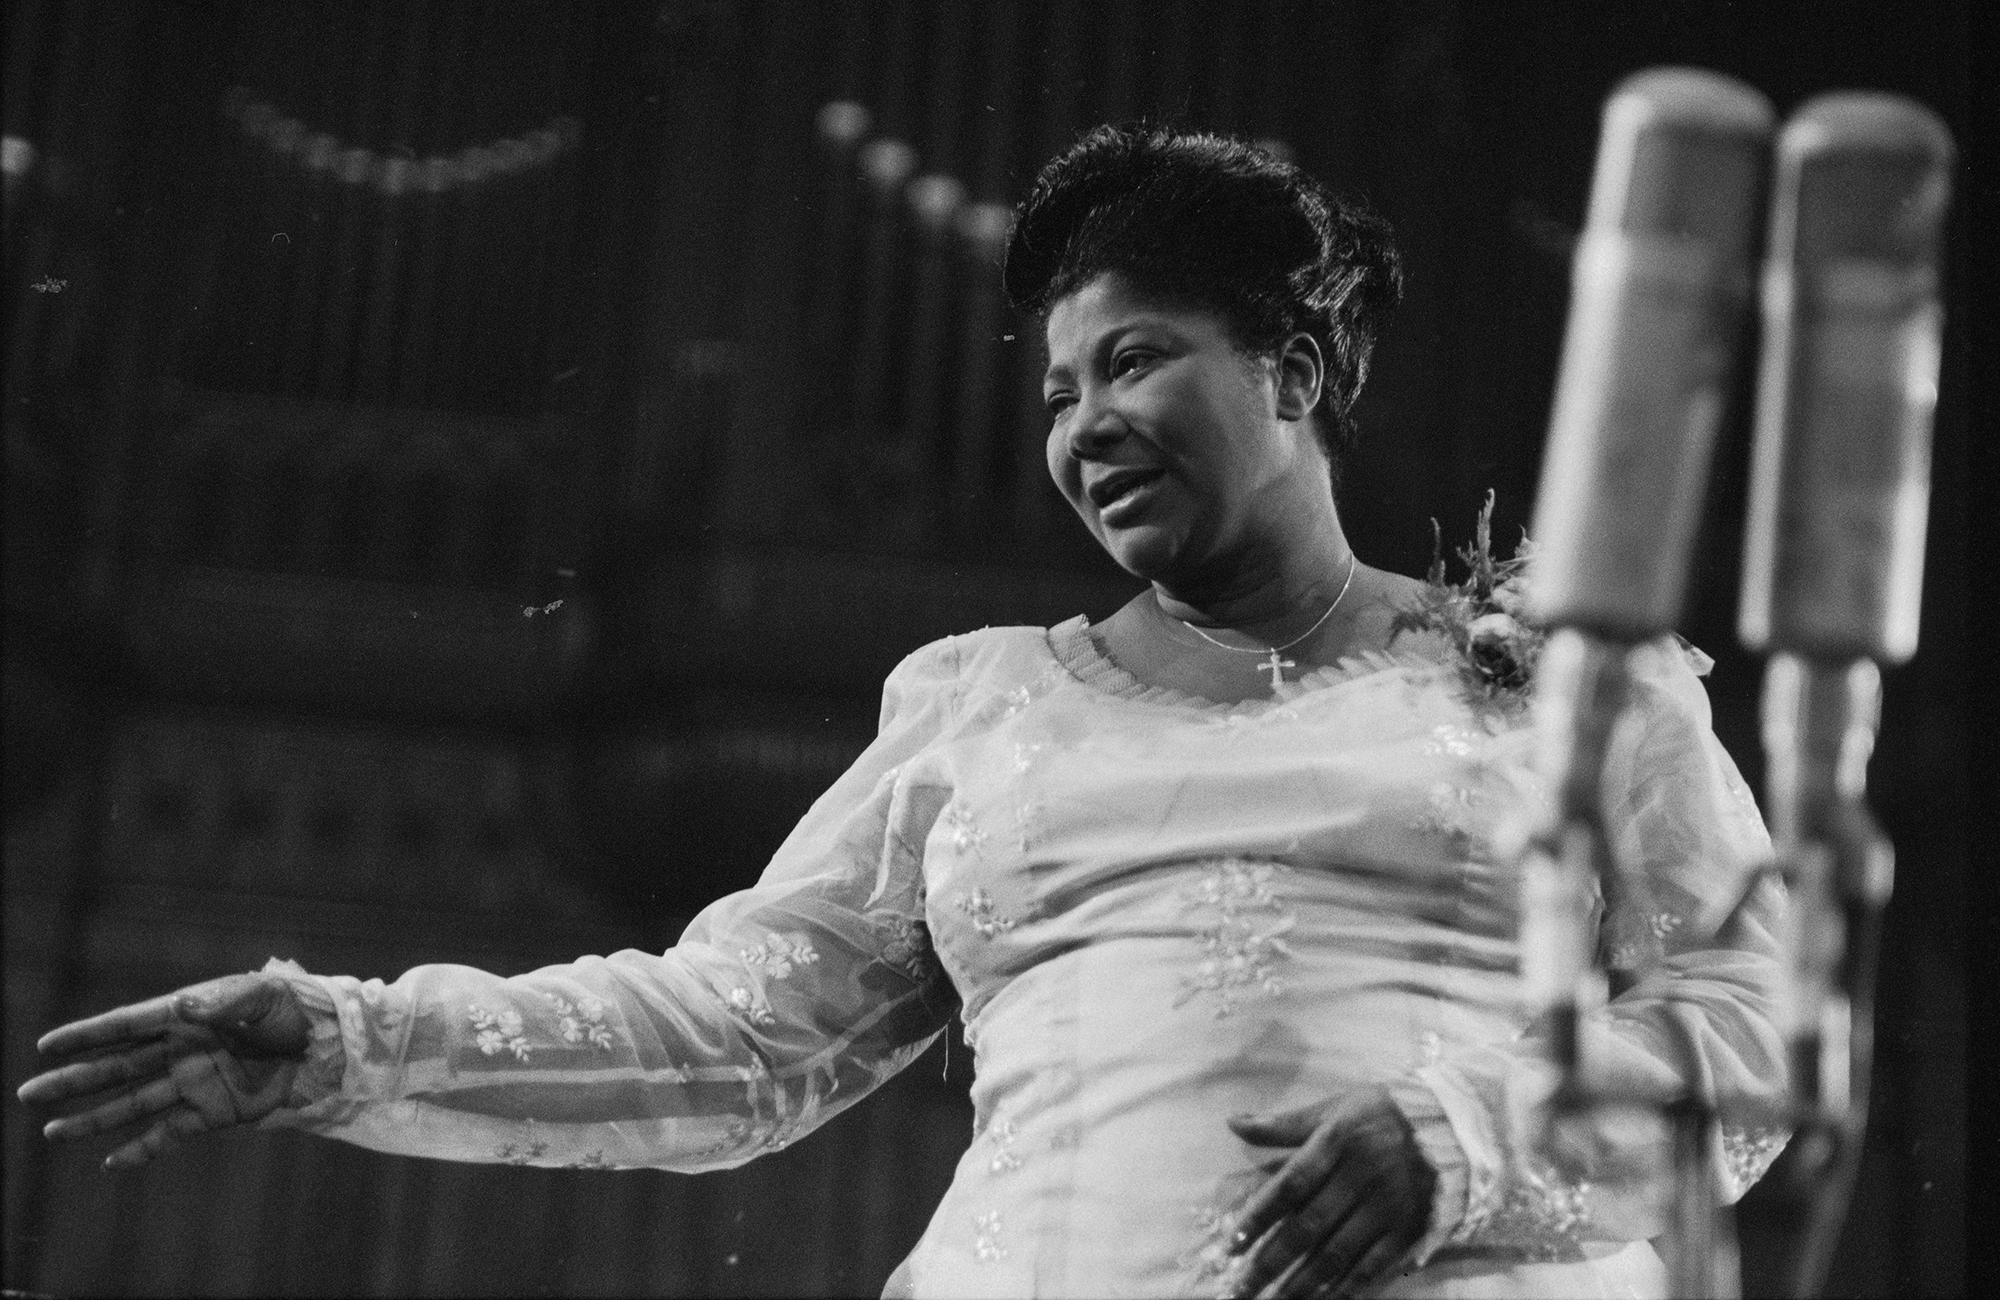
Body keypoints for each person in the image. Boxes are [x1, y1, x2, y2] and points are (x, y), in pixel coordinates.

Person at [17, 125, 1786, 1299]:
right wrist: (347, 1037)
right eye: (1057, 389)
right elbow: (727, 1035)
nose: (1085, 423)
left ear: (1298, 371)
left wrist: (1465, 1142)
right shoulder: (986, 713)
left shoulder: (1568, 688)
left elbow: (1765, 1024)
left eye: (1140, 358)